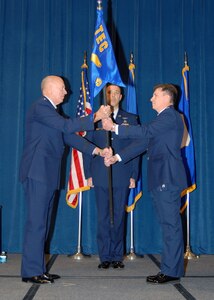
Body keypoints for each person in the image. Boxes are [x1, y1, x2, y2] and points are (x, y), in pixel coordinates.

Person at [19, 75, 112, 284]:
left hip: (46, 174)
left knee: (42, 224)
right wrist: (96, 115)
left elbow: (71, 137)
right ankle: (31, 271)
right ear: (49, 89)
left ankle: (37, 269)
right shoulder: (40, 107)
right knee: (37, 224)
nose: (66, 92)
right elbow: (67, 127)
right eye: (62, 88)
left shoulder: (53, 113)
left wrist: (97, 150)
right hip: (37, 172)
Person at [103, 83, 187, 283]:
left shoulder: (169, 116)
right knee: (168, 225)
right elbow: (143, 143)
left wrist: (114, 127)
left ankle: (171, 271)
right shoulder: (163, 119)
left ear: (167, 98)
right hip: (161, 178)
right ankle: (171, 268)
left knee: (171, 226)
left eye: (155, 95)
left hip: (167, 177)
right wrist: (118, 157)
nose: (151, 99)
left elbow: (145, 131)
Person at [83, 83, 141, 269]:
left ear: (121, 96)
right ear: (105, 95)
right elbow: (86, 147)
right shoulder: (95, 119)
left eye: (116, 92)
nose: (112, 96)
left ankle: (117, 255)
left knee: (118, 215)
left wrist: (134, 174)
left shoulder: (131, 119)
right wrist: (88, 173)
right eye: (109, 92)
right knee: (103, 216)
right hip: (100, 173)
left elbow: (136, 148)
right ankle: (104, 256)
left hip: (122, 173)